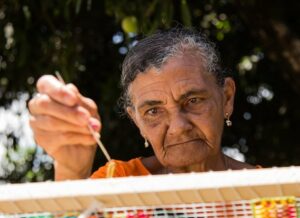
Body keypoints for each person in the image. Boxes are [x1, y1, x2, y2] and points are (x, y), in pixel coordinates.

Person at [29, 28, 255, 181]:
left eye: (193, 101)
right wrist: (72, 169)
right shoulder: (118, 184)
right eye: (153, 111)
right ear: (137, 120)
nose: (178, 127)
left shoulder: (273, 197)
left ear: (226, 97)